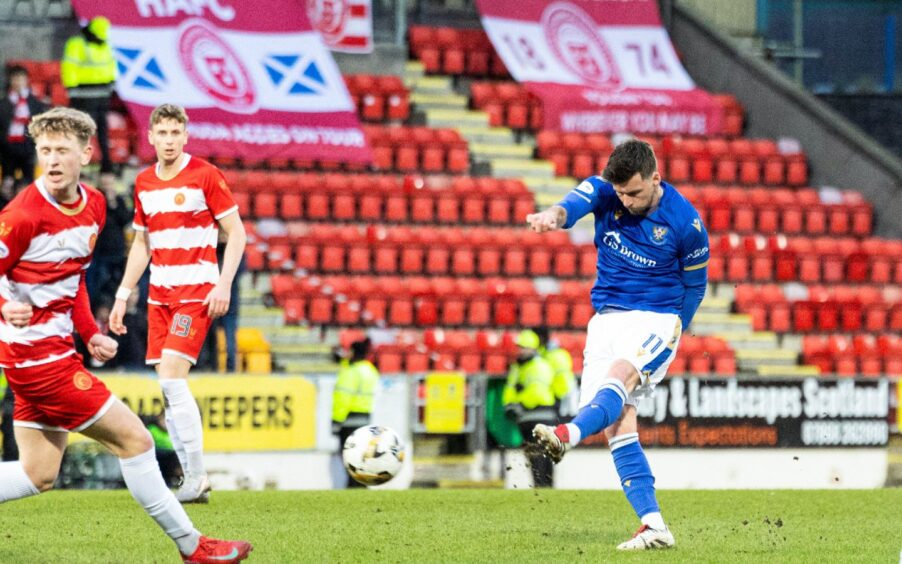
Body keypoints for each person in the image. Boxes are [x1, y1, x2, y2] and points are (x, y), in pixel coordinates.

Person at [0, 107, 251, 563]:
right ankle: (194, 546)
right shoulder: (22, 214)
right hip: (39, 363)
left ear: (86, 153)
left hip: (51, 356)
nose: (51, 160)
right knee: (136, 441)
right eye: (44, 151)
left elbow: (72, 277)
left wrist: (89, 330)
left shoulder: (94, 206)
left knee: (39, 474)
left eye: (61, 150)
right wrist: (4, 304)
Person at [528, 139, 709, 550]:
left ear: (655, 178)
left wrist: (678, 326)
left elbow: (696, 286)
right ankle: (654, 525)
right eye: (621, 192)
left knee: (619, 379)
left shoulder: (686, 223)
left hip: (657, 318)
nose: (625, 200)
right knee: (617, 423)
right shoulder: (607, 190)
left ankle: (566, 435)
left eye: (635, 192)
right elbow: (571, 205)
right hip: (606, 320)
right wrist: (553, 217)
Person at [109, 103, 246, 504]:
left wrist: (223, 284)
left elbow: (236, 234)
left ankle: (197, 476)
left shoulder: (205, 175)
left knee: (171, 377)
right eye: (162, 133)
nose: (169, 140)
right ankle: (192, 479)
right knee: (169, 389)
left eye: (175, 133)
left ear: (186, 136)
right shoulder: (144, 182)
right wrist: (122, 295)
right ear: (150, 137)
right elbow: (143, 244)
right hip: (159, 296)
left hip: (195, 293)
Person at [61, 16, 116, 174]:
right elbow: (69, 67)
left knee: (102, 132)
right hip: (83, 97)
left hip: (101, 96)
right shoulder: (77, 44)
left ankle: (106, 166)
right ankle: (76, 165)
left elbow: (110, 66)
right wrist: (72, 90)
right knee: (81, 133)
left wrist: (111, 84)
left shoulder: (105, 44)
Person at [502, 330, 557, 488]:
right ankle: (541, 488)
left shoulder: (539, 366)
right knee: (533, 455)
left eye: (524, 347)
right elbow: (510, 389)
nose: (521, 350)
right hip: (526, 417)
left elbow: (537, 392)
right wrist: (510, 404)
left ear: (533, 348)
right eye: (520, 347)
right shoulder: (518, 367)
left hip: (540, 415)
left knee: (542, 455)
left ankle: (544, 488)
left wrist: (517, 403)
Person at [331, 338, 379, 488]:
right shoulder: (370, 370)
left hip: (349, 421)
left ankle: (353, 489)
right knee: (360, 459)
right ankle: (361, 487)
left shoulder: (351, 372)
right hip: (365, 420)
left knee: (349, 460)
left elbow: (343, 399)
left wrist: (336, 421)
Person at [0, 65, 47, 193]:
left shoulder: (36, 104)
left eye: (21, 78)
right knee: (7, 182)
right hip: (8, 148)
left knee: (29, 184)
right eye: (15, 78)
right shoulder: (3, 103)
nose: (18, 82)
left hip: (27, 147)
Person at [85, 173, 130, 307]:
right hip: (101, 252)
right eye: (105, 185)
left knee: (118, 284)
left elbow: (125, 219)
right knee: (98, 284)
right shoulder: (95, 201)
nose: (108, 188)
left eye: (110, 184)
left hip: (118, 251)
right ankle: (96, 310)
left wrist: (113, 203)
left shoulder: (120, 201)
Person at [533, 326, 577, 419]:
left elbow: (560, 378)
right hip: (562, 393)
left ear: (540, 338)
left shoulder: (553, 355)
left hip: (562, 394)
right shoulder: (557, 352)